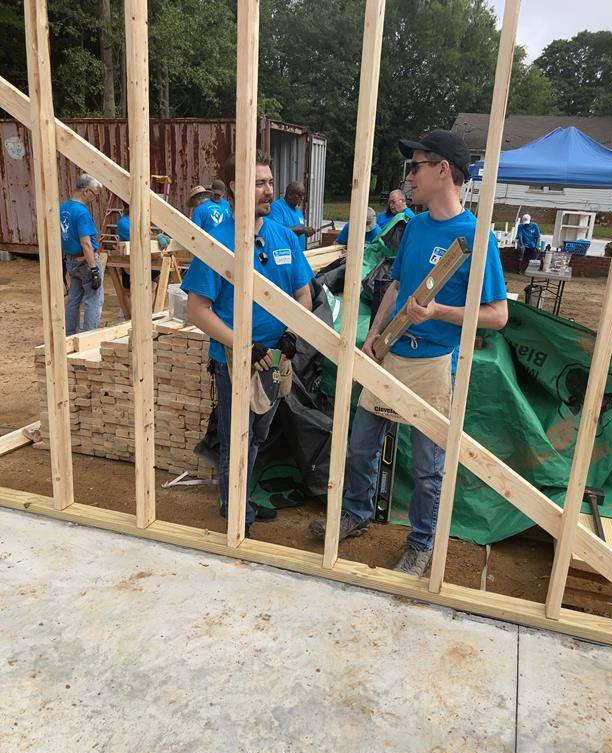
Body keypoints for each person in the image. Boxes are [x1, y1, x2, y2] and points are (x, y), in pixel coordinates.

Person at [310, 130, 508, 578]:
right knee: (359, 447)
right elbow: (395, 286)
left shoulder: (476, 238)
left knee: (427, 469)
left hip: (435, 364)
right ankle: (355, 514)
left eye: (415, 167)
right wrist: (374, 335)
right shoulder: (415, 226)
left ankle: (422, 544)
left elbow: (497, 315)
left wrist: (440, 311)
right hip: (392, 353)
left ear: (444, 171)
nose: (408, 177)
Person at [182, 151, 314, 534]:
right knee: (235, 434)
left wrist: (292, 333)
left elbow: (303, 295)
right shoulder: (218, 243)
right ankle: (233, 505)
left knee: (258, 433)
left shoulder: (281, 235)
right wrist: (242, 343)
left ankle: (241, 495)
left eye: (270, 181)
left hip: (275, 358)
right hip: (235, 360)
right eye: (260, 183)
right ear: (238, 187)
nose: (268, 189)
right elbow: (198, 310)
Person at [60, 173, 104, 336]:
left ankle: (70, 335)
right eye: (94, 194)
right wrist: (94, 270)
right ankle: (89, 337)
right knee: (93, 300)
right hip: (86, 261)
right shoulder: (82, 213)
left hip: (71, 261)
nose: (95, 198)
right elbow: (86, 244)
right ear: (86, 191)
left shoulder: (63, 208)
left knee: (73, 299)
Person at [268, 181, 315, 251]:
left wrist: (305, 232)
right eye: (300, 195)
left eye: (303, 195)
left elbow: (297, 233)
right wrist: (302, 229)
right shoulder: (276, 207)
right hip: (285, 255)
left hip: (299, 254)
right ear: (290, 195)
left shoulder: (298, 212)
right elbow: (276, 231)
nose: (302, 198)